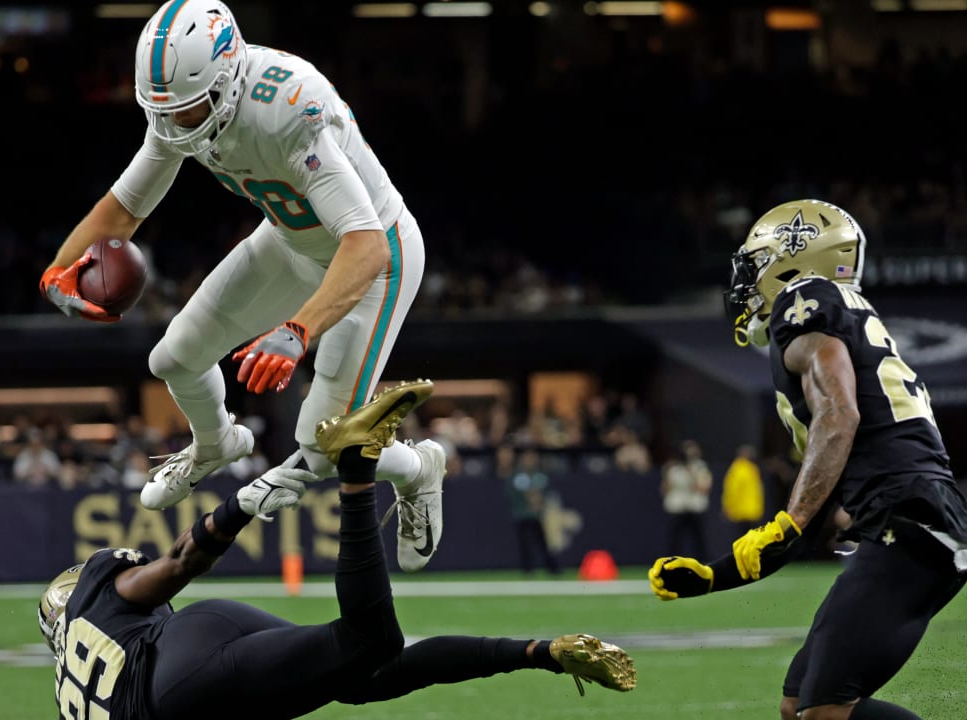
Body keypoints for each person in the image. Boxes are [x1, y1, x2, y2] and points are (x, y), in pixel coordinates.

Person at [38, 0, 445, 572]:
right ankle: (215, 445)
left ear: (226, 81)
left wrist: (298, 330)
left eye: (187, 109)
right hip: (290, 241)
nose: (176, 123)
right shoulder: (180, 108)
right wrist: (58, 271)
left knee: (327, 444)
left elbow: (367, 244)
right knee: (174, 357)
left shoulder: (288, 108)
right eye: (166, 110)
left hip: (376, 261)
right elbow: (125, 207)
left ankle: (418, 467)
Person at [39, 380, 635, 720]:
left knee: (368, 643)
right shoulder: (99, 600)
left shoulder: (75, 671)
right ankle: (542, 652)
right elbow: (178, 561)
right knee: (367, 673)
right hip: (195, 641)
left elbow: (173, 568)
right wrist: (238, 507)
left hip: (180, 689)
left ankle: (358, 470)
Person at [648, 199, 967, 720]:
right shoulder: (837, 309)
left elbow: (839, 412)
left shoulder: (802, 297)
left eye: (756, 262)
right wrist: (717, 576)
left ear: (792, 257)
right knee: (796, 704)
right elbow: (840, 440)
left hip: (908, 517)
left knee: (824, 711)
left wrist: (792, 520)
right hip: (914, 513)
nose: (746, 280)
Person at [501, 446, 561, 576]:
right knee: (525, 544)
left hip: (537, 515)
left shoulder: (538, 474)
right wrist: (532, 498)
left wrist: (538, 502)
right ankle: (528, 570)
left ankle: (552, 568)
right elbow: (517, 492)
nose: (530, 460)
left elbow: (544, 492)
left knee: (543, 543)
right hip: (522, 514)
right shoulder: (517, 475)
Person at [659, 440, 711, 559]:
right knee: (674, 539)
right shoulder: (673, 469)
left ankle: (703, 562)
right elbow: (665, 489)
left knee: (699, 539)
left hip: (695, 507)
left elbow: (703, 488)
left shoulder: (700, 467)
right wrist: (667, 473)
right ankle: (670, 562)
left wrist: (691, 472)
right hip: (678, 508)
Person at [720, 443, 765, 537]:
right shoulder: (751, 469)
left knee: (740, 539)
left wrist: (727, 507)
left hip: (740, 512)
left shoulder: (738, 469)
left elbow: (732, 491)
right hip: (750, 511)